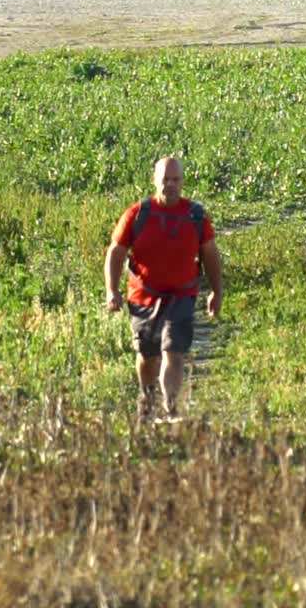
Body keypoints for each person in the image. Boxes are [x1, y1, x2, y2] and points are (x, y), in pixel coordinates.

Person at [104, 155, 223, 418]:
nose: (170, 184)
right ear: (154, 180)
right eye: (165, 179)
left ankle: (170, 409)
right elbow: (116, 251)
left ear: (182, 182)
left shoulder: (196, 215)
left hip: (182, 295)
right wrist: (111, 290)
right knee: (148, 356)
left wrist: (216, 290)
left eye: (175, 179)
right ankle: (147, 397)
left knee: (174, 351)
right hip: (143, 296)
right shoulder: (137, 214)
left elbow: (211, 253)